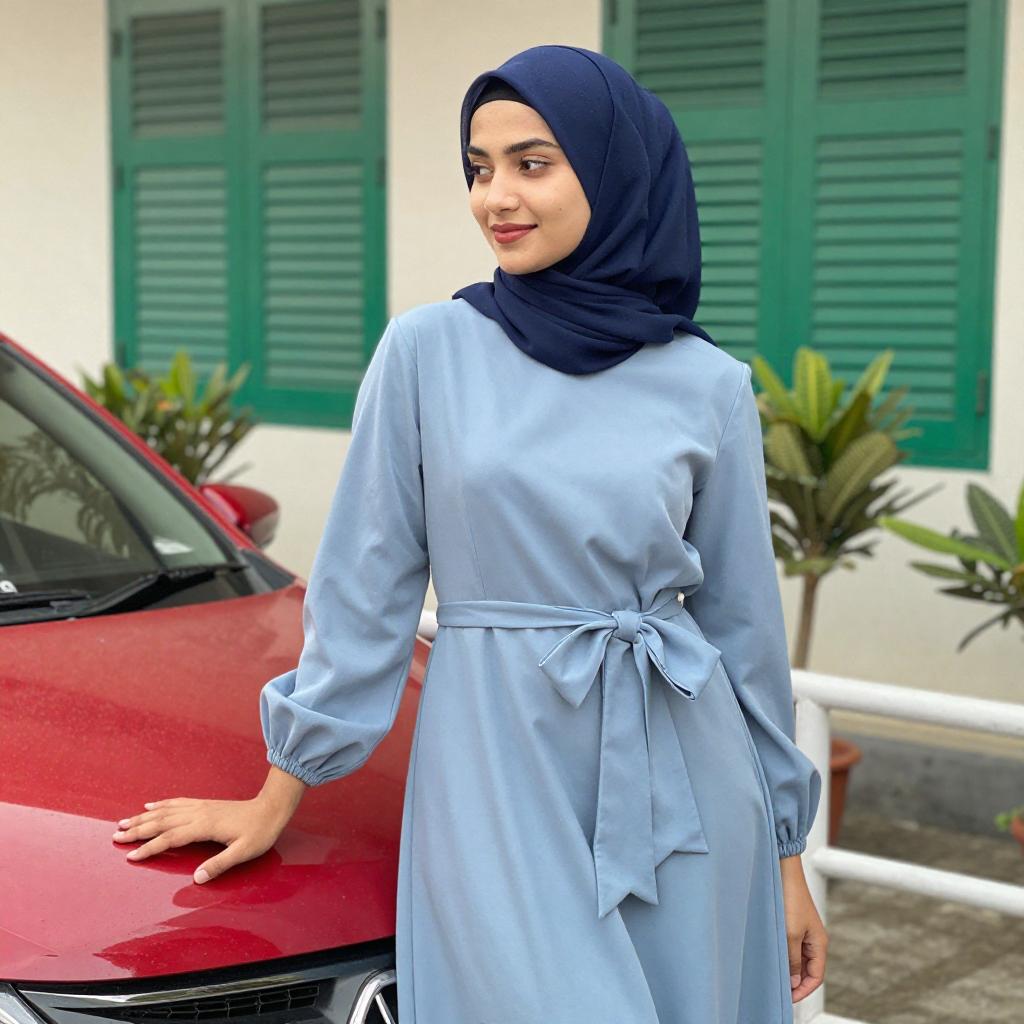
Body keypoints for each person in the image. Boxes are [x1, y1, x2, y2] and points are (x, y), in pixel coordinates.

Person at [113, 44, 827, 1023]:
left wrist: (786, 856)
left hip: (686, 781)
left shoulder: (709, 385)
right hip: (495, 763)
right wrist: (281, 789)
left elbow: (743, 629)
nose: (497, 197)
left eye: (533, 163)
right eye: (478, 168)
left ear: (614, 172)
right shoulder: (427, 351)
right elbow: (365, 586)